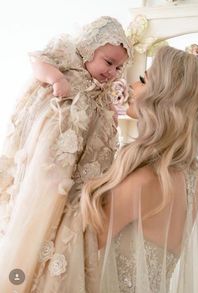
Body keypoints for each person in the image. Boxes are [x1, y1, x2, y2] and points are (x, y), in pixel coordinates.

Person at [0, 16, 132, 292]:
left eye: (119, 67)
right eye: (108, 63)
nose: (113, 72)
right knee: (40, 209)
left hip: (76, 165)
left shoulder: (101, 89)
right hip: (54, 149)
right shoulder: (67, 57)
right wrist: (56, 78)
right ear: (88, 48)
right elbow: (37, 61)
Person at [81, 45, 198, 292]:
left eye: (144, 80)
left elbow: (78, 251)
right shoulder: (192, 176)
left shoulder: (144, 180)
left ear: (164, 98)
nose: (132, 86)